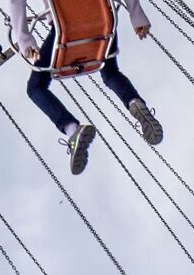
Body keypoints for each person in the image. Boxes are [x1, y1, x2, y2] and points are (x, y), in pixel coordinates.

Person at [9, 0, 163, 176]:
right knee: (110, 72)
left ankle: (72, 130)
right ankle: (134, 102)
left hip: (66, 27)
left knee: (35, 87)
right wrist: (137, 15)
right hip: (102, 21)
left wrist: (24, 40)